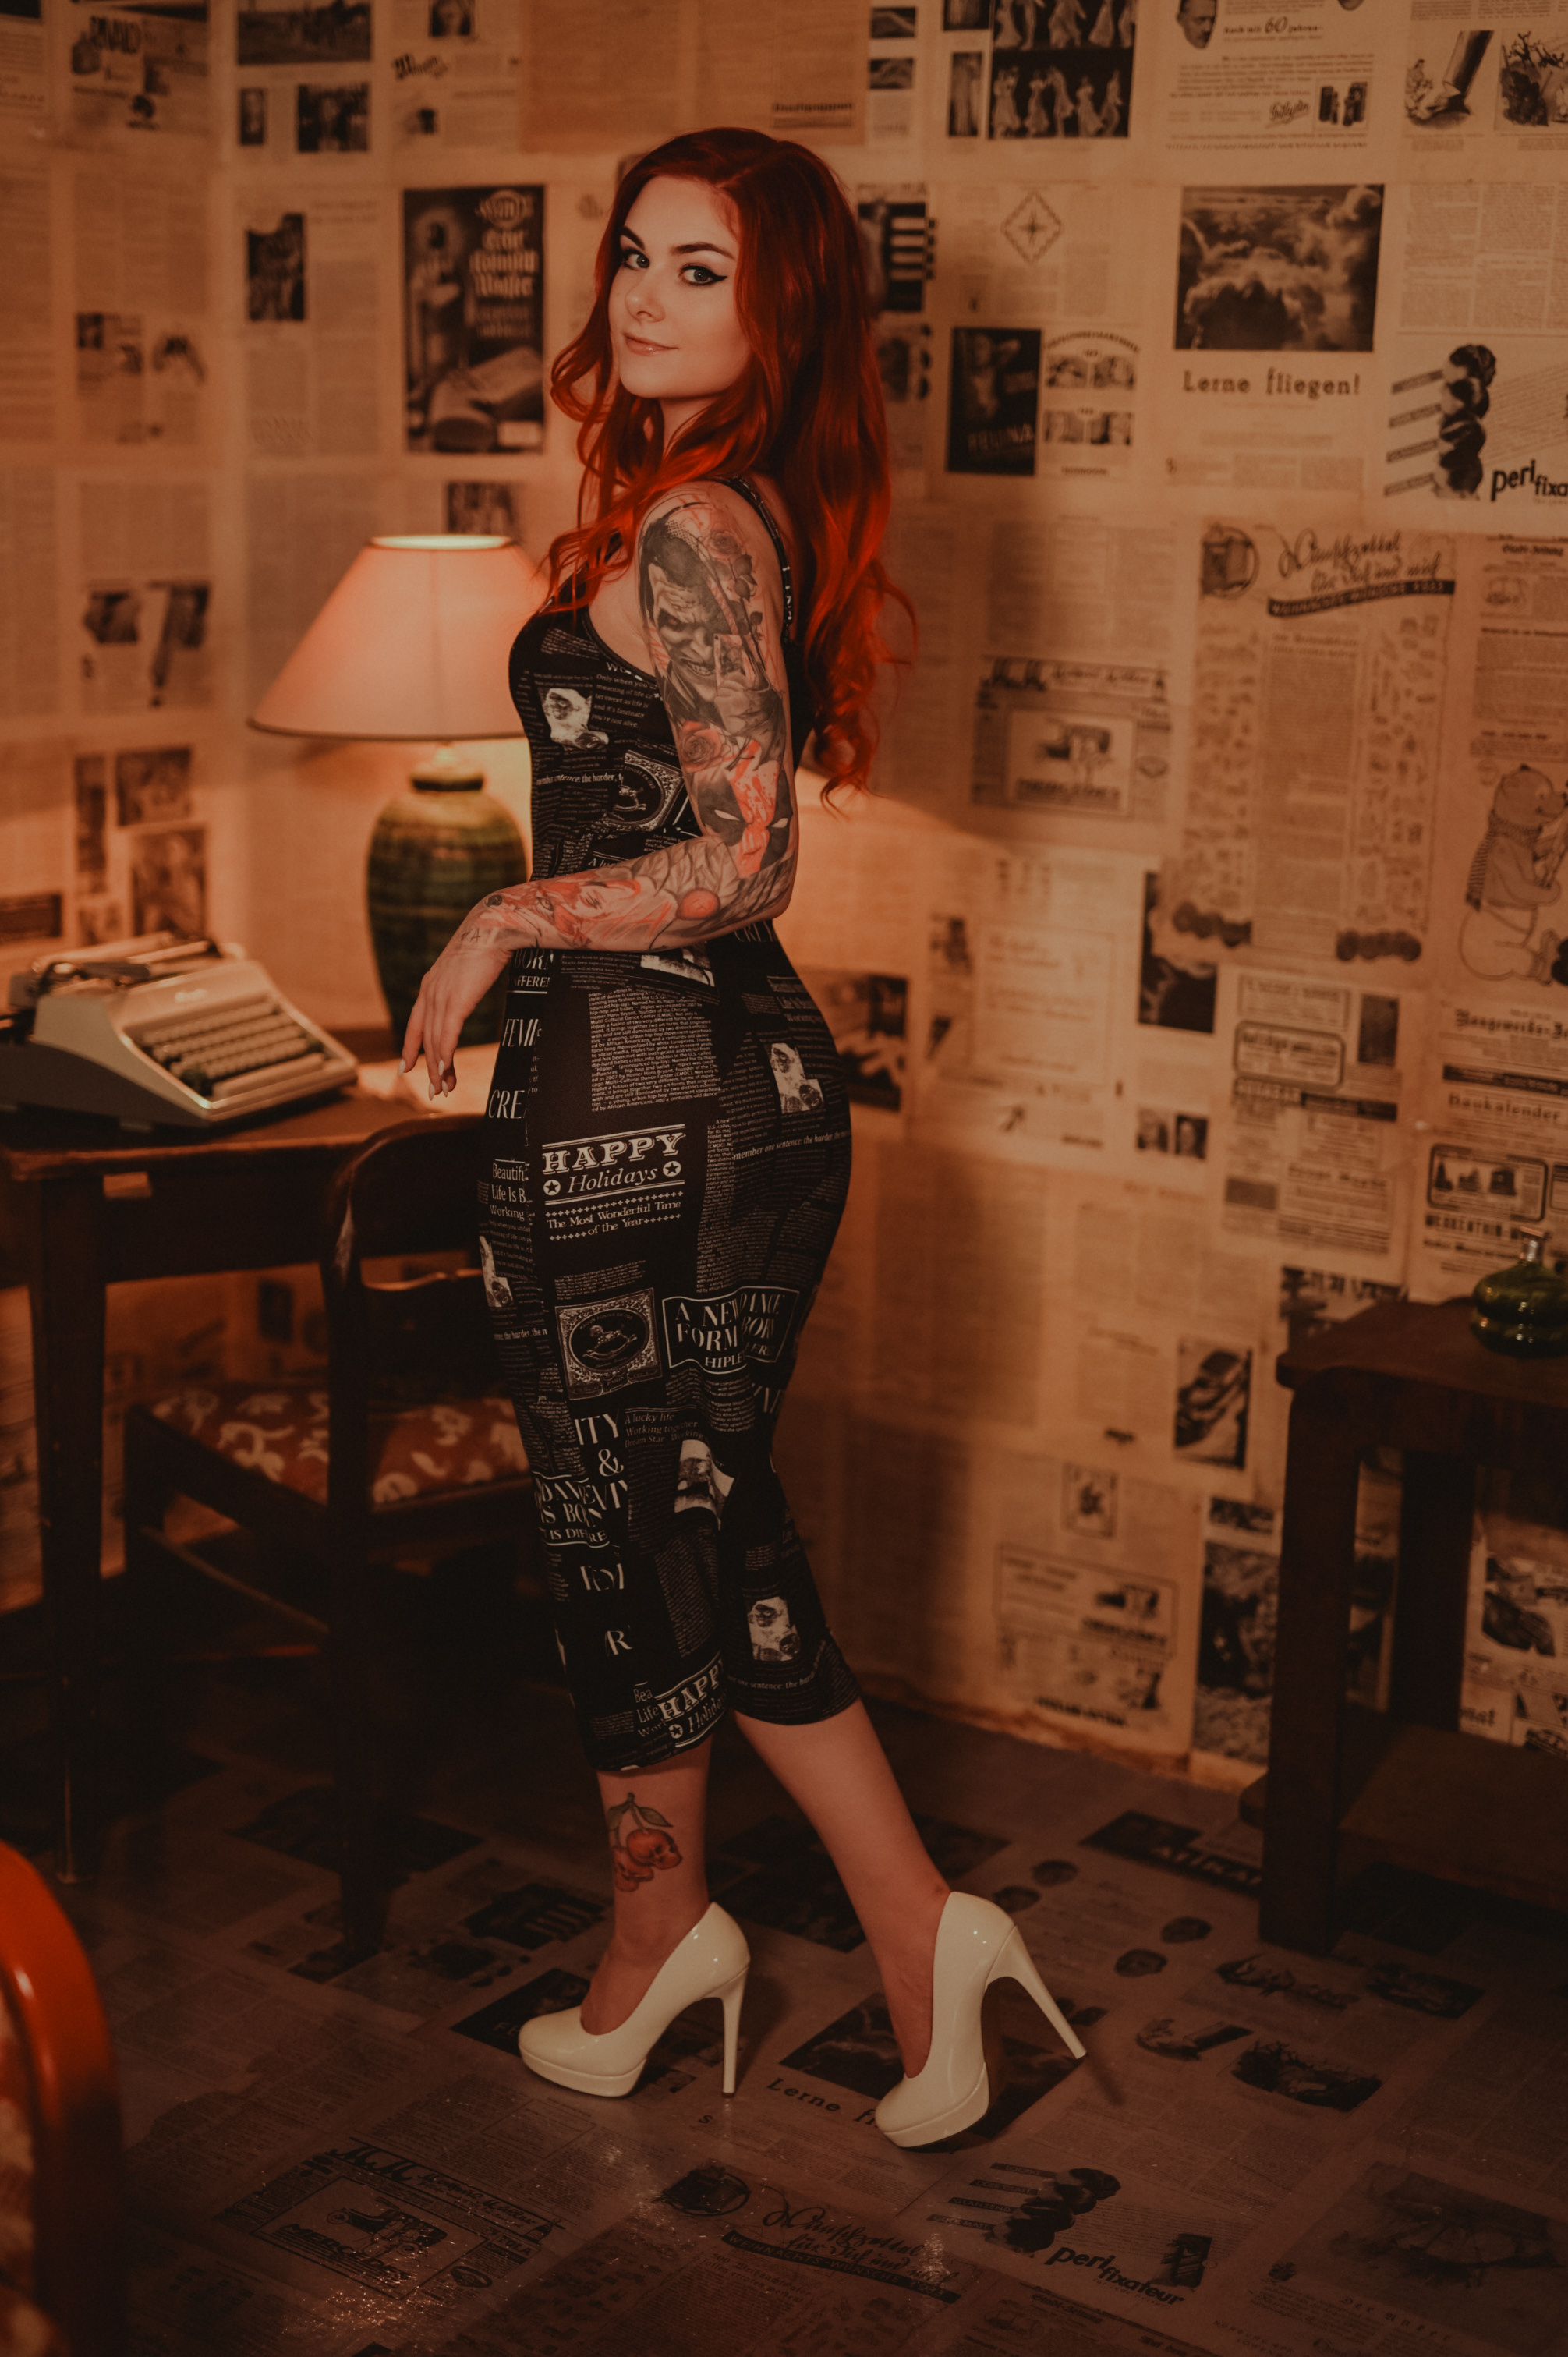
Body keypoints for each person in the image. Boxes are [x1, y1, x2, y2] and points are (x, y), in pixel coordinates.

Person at [400, 127, 1082, 2147]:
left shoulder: (703, 526)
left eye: (700, 269)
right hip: (674, 1090)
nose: (642, 293)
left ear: (780, 310)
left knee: (626, 1527)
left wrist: (506, 912)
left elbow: (747, 856)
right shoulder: (699, 505)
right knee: (698, 1514)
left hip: (664, 1096)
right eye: (634, 253)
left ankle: (661, 1942)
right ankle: (900, 1929)